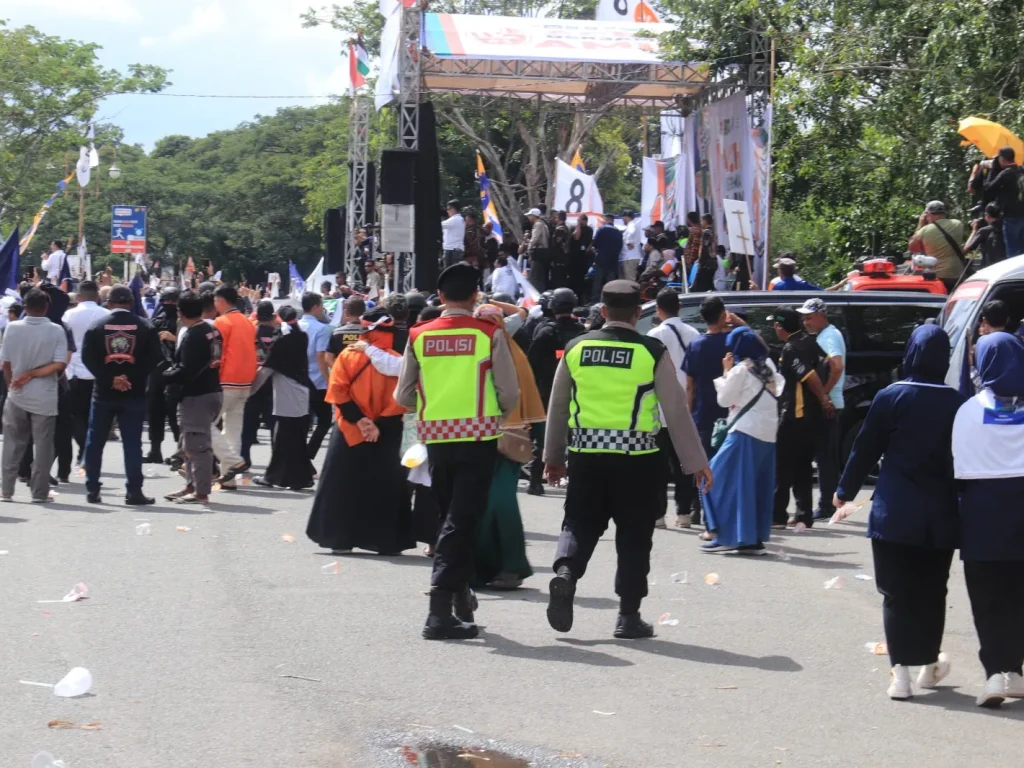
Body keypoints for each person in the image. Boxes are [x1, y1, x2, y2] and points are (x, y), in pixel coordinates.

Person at [543, 280, 711, 638]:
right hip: (639, 460)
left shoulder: (576, 348)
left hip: (586, 456)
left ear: (603, 312)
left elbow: (557, 408)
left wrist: (553, 458)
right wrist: (695, 462)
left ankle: (566, 574)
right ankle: (628, 616)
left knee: (579, 523)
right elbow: (676, 411)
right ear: (639, 314)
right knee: (634, 537)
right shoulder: (651, 351)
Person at [834, 325, 963, 700]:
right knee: (932, 591)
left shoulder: (891, 396)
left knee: (896, 594)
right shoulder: (956, 402)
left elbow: (864, 448)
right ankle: (927, 667)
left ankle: (900, 675)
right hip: (940, 515)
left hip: (895, 513)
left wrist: (844, 491)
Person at [394, 262, 520, 640]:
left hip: (436, 439)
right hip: (479, 438)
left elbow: (402, 396)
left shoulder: (418, 334)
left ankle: (461, 597)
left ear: (442, 297)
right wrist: (494, 415)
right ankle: (439, 605)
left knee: (452, 517)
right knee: (462, 520)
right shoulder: (487, 333)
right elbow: (510, 393)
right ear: (475, 297)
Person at [951, 333, 1024, 707]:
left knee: (988, 599)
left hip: (982, 517)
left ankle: (997, 673)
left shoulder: (968, 410)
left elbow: (958, 470)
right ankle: (1017, 670)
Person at [307, 308, 412, 554]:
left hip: (349, 429)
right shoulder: (398, 360)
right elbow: (401, 399)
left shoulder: (347, 356)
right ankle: (386, 541)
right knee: (385, 487)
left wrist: (361, 421)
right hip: (386, 432)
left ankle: (339, 539)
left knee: (342, 484)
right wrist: (377, 425)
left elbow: (338, 391)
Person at [472, 303, 545, 589]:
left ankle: (511, 566)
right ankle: (484, 568)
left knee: (500, 504)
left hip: (504, 443)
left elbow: (525, 398)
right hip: (483, 438)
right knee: (484, 504)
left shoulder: (508, 354)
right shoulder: (506, 350)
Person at [701, 326, 782, 553]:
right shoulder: (769, 366)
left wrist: (725, 372)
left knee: (712, 479)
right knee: (755, 488)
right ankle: (751, 539)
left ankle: (725, 536)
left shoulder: (741, 370)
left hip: (744, 432)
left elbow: (724, 400)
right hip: (767, 434)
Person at [81, 285, 161, 505]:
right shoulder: (145, 326)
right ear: (131, 302)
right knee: (133, 443)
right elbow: (154, 358)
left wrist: (110, 378)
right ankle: (134, 491)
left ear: (108, 302)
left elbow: (88, 358)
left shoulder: (97, 327)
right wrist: (130, 377)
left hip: (104, 393)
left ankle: (92, 488)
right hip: (133, 393)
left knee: (95, 442)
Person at [768, 306, 835, 530]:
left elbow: (810, 375)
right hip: (811, 417)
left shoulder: (791, 348)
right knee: (803, 468)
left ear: (779, 326)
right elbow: (831, 364)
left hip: (794, 415)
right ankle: (804, 515)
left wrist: (824, 398)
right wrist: (823, 397)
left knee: (783, 468)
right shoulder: (808, 341)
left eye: (774, 324)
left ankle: (777, 516)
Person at [0, 288, 67, 502]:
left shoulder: (13, 328)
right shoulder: (56, 330)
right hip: (44, 395)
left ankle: (6, 490)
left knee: (12, 443)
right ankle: (39, 492)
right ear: (47, 307)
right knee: (43, 446)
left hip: (17, 394)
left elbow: (6, 363)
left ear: (25, 307)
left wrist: (14, 383)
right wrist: (34, 374)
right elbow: (59, 364)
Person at [163, 292, 224, 504]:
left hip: (197, 395)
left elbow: (186, 370)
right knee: (189, 443)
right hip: (212, 390)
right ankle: (191, 485)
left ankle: (201, 492)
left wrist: (165, 375)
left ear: (180, 312)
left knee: (198, 446)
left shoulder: (193, 335)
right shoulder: (212, 330)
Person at [647, 288, 700, 528]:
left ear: (658, 310)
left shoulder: (653, 335)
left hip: (658, 409)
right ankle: (684, 513)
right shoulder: (694, 333)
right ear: (679, 307)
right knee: (684, 465)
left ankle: (658, 515)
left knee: (658, 465)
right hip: (686, 408)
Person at [525, 287, 584, 496]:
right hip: (577, 393)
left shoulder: (546, 332)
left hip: (547, 394)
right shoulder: (582, 333)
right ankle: (575, 481)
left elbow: (530, 363)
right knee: (576, 438)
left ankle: (536, 481)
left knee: (543, 439)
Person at [251, 306, 316, 490]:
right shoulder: (301, 336)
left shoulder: (282, 339)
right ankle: (298, 478)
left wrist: (249, 391)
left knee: (283, 438)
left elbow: (267, 368)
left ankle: (273, 477)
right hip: (302, 390)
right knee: (296, 438)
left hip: (287, 392)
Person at [796, 297, 846, 520]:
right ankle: (832, 501)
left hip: (829, 404)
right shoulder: (824, 335)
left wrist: (823, 393)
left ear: (820, 315)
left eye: (808, 317)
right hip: (829, 403)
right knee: (826, 456)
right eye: (803, 318)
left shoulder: (830, 336)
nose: (805, 322)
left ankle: (827, 505)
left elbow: (837, 365)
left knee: (825, 457)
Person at [211, 285, 257, 488]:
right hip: (245, 380)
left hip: (225, 379)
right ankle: (229, 478)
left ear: (221, 300)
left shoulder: (221, 322)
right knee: (233, 430)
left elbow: (216, 353)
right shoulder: (248, 322)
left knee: (203, 425)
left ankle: (232, 462)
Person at [62, 280, 107, 468]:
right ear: (97, 296)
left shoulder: (68, 315)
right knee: (95, 416)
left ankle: (84, 447)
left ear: (79, 296)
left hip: (73, 371)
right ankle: (89, 450)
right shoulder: (106, 316)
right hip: (97, 372)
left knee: (77, 415)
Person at [240, 300, 279, 469]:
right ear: (272, 316)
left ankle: (244, 459)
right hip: (272, 383)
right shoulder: (278, 333)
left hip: (251, 382)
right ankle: (275, 462)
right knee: (273, 425)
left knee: (248, 423)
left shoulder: (250, 333)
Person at [145, 288, 181, 464]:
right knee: (154, 411)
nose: (169, 305)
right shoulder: (157, 321)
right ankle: (155, 450)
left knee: (175, 414)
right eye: (166, 301)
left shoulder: (184, 323)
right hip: (157, 371)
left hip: (176, 372)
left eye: (172, 301)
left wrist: (174, 338)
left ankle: (181, 452)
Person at [299, 292, 333, 460]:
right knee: (325, 420)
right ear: (315, 307)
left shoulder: (294, 325)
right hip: (318, 381)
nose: (322, 310)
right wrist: (329, 380)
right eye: (321, 306)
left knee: (303, 422)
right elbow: (321, 356)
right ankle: (308, 454)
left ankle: (302, 455)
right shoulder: (322, 328)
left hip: (298, 380)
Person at [909, 201, 967, 292]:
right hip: (958, 275)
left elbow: (913, 248)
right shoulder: (958, 224)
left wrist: (920, 225)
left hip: (937, 276)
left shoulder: (924, 230)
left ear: (927, 214)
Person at [981, 146, 1024, 258]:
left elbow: (988, 188)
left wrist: (992, 169)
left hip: (1010, 217)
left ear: (1002, 159)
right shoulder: (1021, 170)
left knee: (1012, 252)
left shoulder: (1006, 173)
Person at [326, 296, 367, 369]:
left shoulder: (336, 333)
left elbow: (328, 359)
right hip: (365, 377)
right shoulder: (370, 332)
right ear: (364, 312)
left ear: (346, 313)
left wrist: (342, 372)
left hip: (343, 377)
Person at [590, 213, 623, 302]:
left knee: (598, 281)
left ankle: (595, 301)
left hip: (601, 260)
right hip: (613, 261)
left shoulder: (602, 229)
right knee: (610, 283)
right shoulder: (618, 232)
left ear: (606, 219)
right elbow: (620, 246)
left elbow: (595, 243)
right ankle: (609, 301)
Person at [965, 202, 1007, 268]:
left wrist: (974, 230)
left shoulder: (984, 231)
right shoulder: (1007, 228)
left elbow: (966, 249)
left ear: (987, 215)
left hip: (990, 268)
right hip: (1007, 266)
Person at [523, 208, 551, 291]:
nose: (528, 218)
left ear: (534, 216)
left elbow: (535, 239)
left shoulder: (538, 224)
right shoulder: (544, 224)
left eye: (530, 216)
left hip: (538, 253)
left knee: (534, 277)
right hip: (545, 253)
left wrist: (529, 247)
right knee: (541, 276)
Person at [568, 212, 593, 299]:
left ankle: (581, 297)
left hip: (583, 257)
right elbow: (576, 237)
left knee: (581, 278)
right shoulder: (573, 228)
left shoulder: (589, 229)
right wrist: (578, 225)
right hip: (574, 257)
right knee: (573, 278)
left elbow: (589, 242)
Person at [619, 210, 643, 281]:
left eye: (623, 217)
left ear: (626, 217)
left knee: (630, 280)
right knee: (627, 280)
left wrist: (629, 241)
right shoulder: (631, 224)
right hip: (629, 257)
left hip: (630, 257)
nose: (622, 219)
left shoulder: (631, 224)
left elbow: (631, 231)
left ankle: (633, 292)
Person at [442, 200, 466, 268]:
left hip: (452, 251)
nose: (447, 211)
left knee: (449, 273)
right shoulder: (459, 219)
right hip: (456, 250)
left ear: (453, 209)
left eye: (448, 209)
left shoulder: (455, 219)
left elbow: (438, 225)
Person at [550, 210, 571, 289]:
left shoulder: (560, 229)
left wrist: (552, 258)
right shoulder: (566, 228)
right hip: (564, 259)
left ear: (558, 218)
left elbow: (556, 245)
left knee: (558, 281)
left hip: (559, 260)